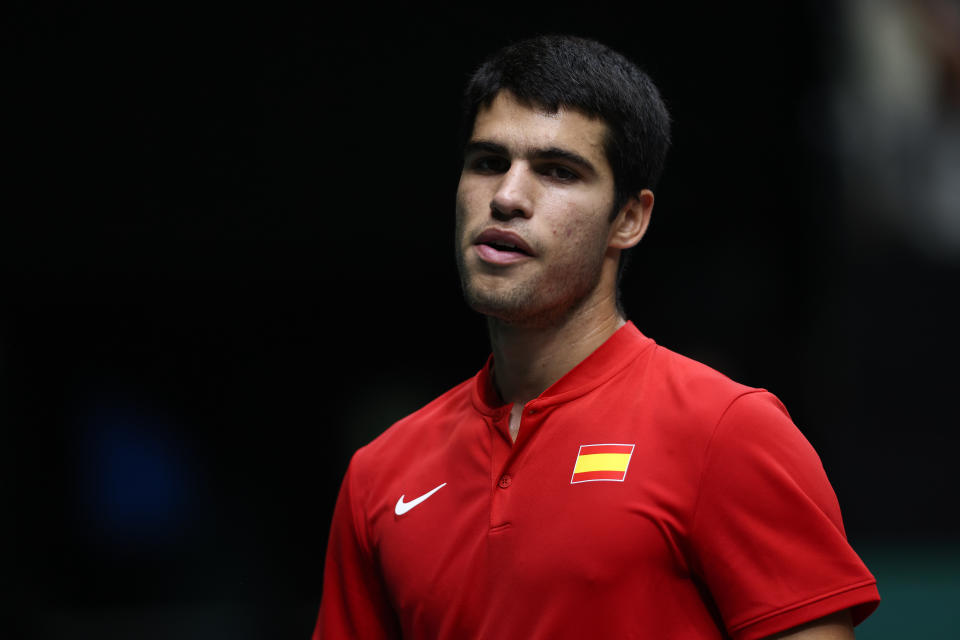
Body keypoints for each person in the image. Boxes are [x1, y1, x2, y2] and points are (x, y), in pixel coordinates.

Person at [312, 35, 879, 639]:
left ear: (629, 218)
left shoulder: (727, 431)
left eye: (558, 171)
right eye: (487, 162)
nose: (506, 197)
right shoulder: (380, 474)